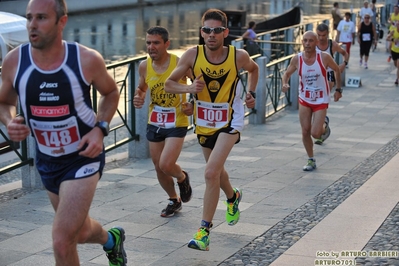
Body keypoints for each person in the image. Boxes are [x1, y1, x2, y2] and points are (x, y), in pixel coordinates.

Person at [0, 0, 126, 265]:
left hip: (83, 157)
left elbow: (112, 92)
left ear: (62, 22)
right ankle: (112, 239)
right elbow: (4, 102)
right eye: (29, 18)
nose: (32, 25)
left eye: (41, 18)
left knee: (61, 239)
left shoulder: (85, 59)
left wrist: (101, 130)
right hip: (47, 160)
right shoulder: (15, 61)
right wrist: (10, 121)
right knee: (78, 233)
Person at [164, 8, 259, 251]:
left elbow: (254, 69)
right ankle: (233, 196)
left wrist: (252, 93)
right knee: (216, 172)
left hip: (230, 121)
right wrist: (189, 91)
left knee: (209, 173)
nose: (211, 35)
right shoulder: (192, 55)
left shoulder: (238, 56)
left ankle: (204, 231)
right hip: (204, 123)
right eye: (207, 30)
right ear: (201, 32)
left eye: (217, 30)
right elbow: (169, 83)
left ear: (226, 32)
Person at [133, 26, 192, 218]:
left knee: (167, 164)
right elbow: (141, 88)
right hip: (155, 120)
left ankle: (182, 177)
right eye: (148, 43)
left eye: (156, 42)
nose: (151, 47)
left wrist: (192, 103)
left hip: (177, 120)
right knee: (158, 166)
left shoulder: (179, 62)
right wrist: (138, 97)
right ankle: (174, 199)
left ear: (167, 44)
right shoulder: (144, 66)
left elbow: (198, 86)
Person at [281, 31, 342, 171]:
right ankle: (311, 159)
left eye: (310, 41)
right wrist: (285, 83)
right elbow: (287, 73)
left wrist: (338, 90)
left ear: (316, 43)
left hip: (321, 99)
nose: (307, 44)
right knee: (305, 131)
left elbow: (337, 69)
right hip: (304, 98)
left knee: (316, 133)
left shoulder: (324, 57)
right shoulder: (297, 59)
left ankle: (324, 126)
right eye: (305, 41)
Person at [315, 23, 349, 145]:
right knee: (314, 103)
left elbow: (345, 53)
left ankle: (321, 128)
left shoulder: (332, 45)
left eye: (323, 35)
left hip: (329, 75)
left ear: (328, 34)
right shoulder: (313, 43)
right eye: (319, 35)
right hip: (316, 75)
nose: (321, 38)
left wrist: (344, 64)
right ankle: (323, 124)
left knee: (322, 100)